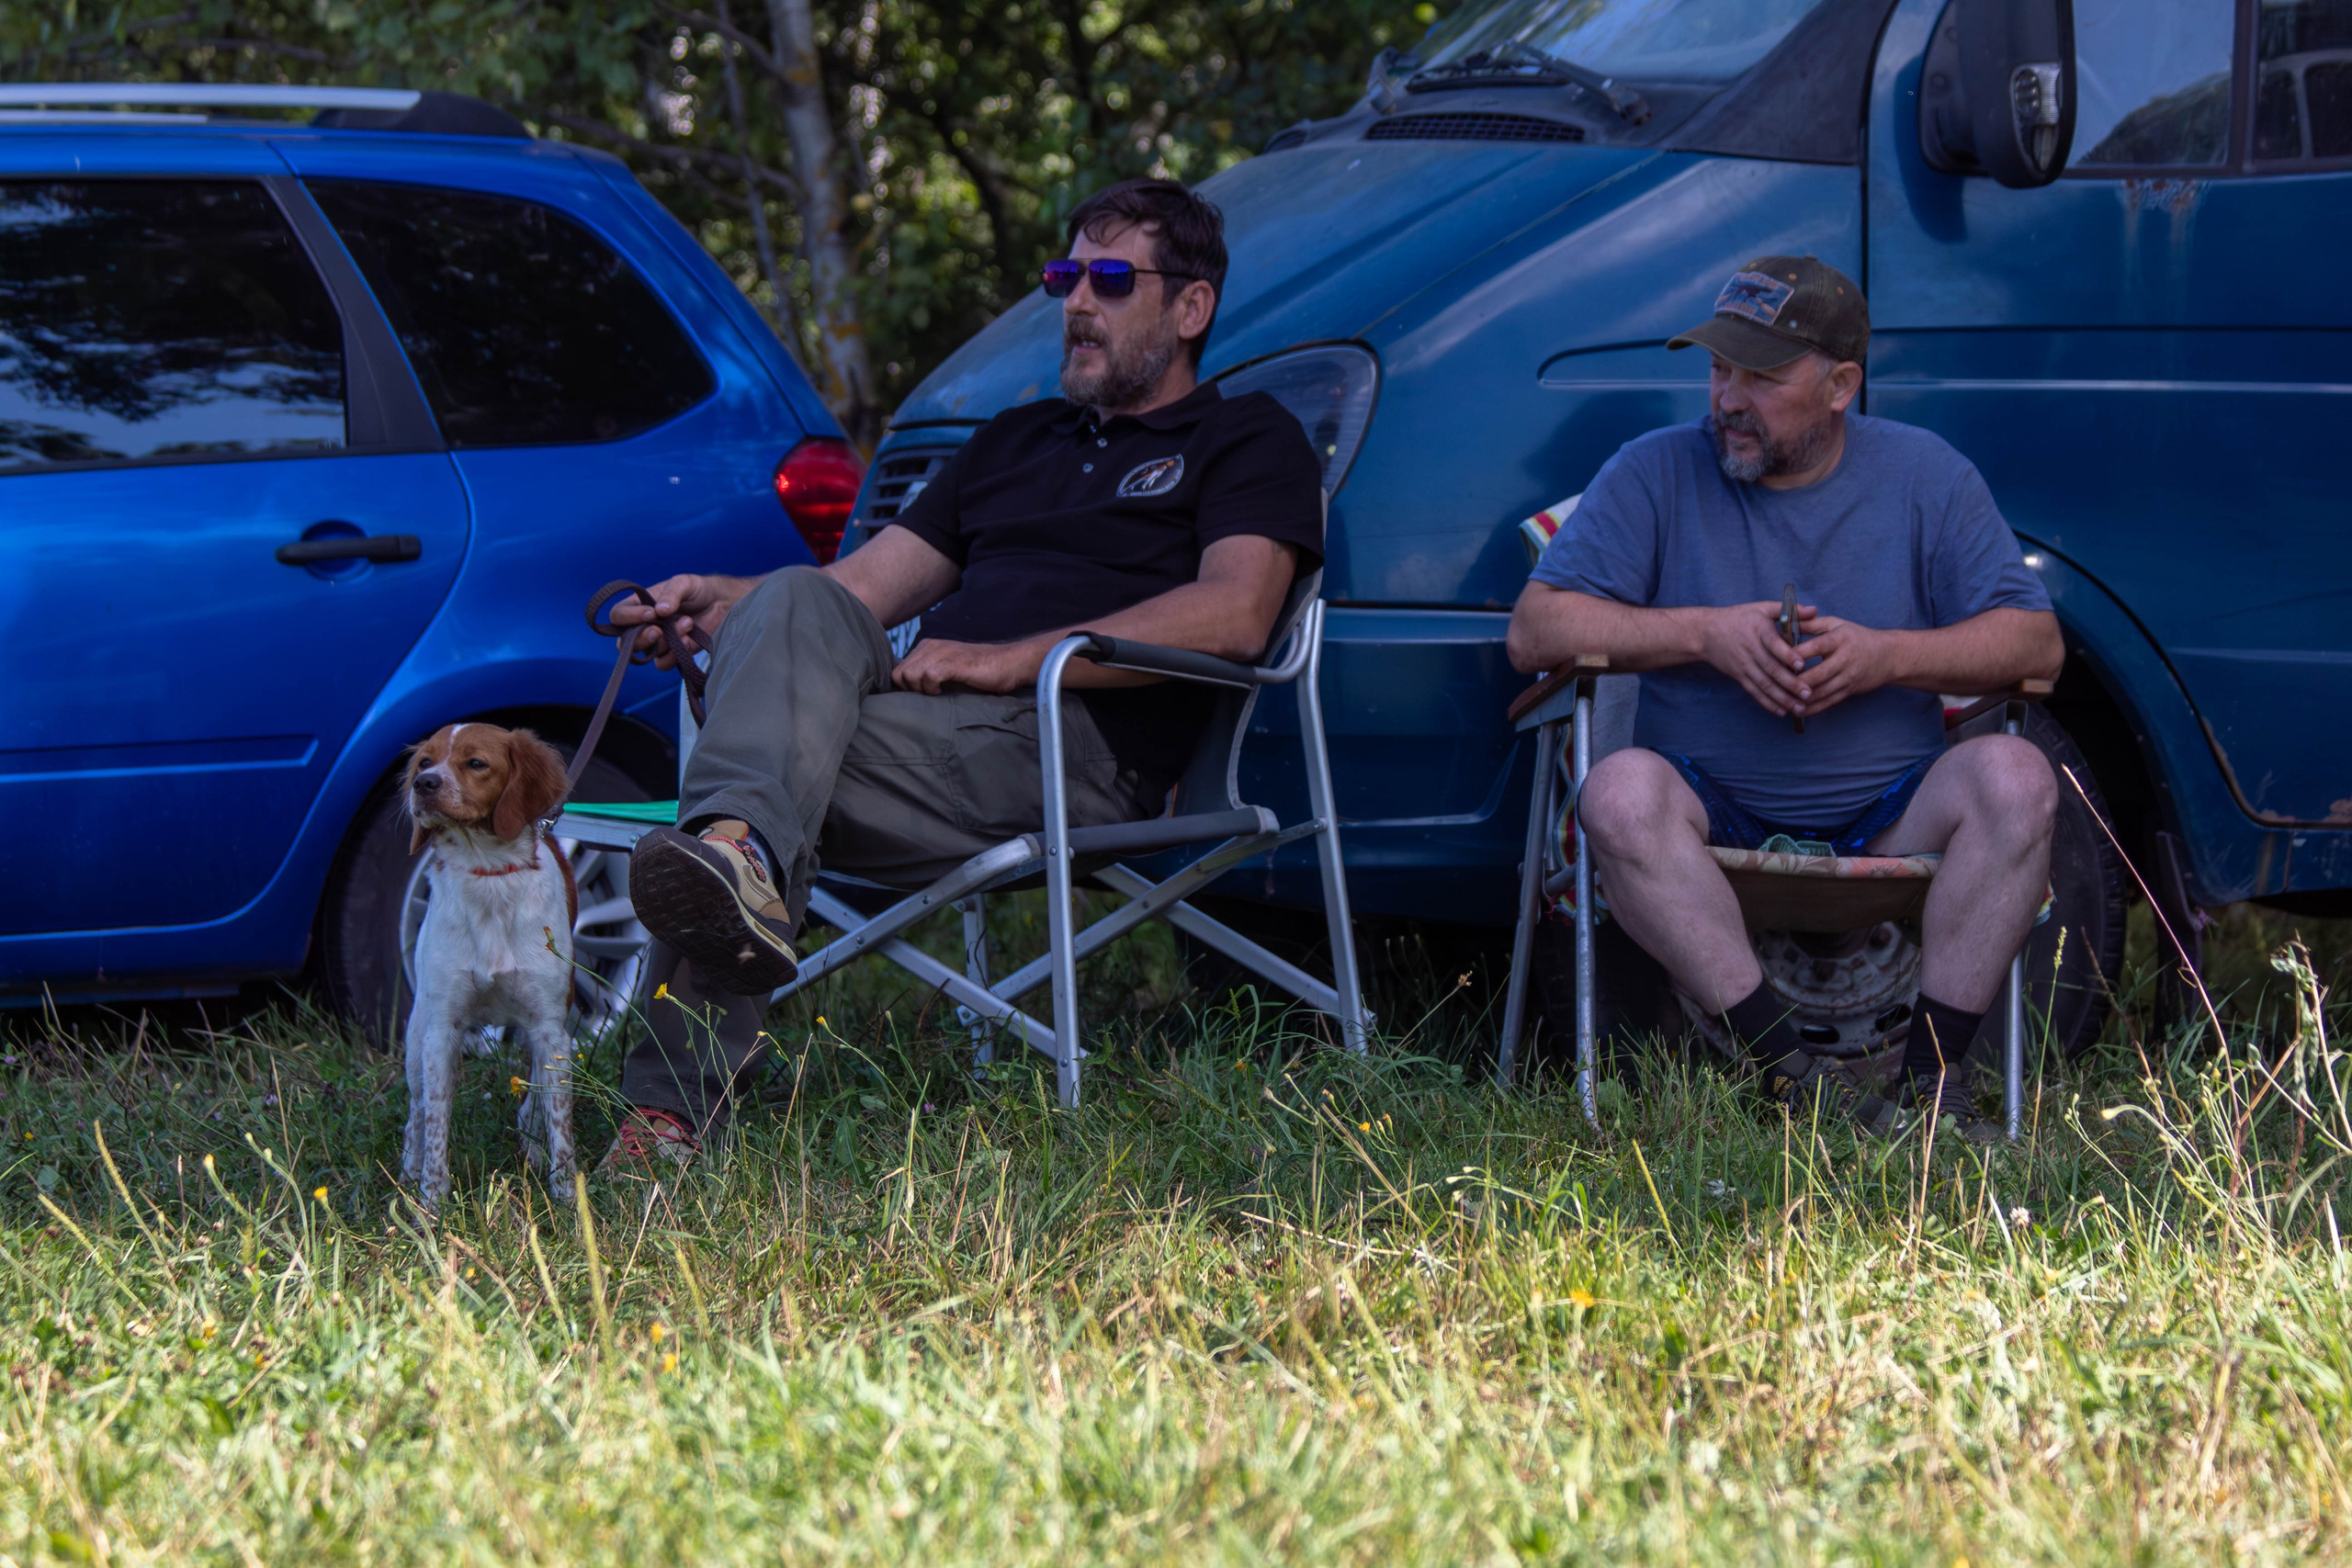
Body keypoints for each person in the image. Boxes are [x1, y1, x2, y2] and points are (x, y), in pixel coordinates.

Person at [598, 177, 1324, 1172]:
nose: (1075, 302)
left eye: (1110, 278)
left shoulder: (1246, 439)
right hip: (921, 738)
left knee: (762, 773)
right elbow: (853, 593)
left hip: (1078, 751)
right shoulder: (1010, 441)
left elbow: (1237, 615)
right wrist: (725, 601)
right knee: (782, 662)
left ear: (1190, 307)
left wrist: (1009, 660)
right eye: (1064, 275)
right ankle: (739, 853)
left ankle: (669, 1107)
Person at [1506, 255, 2063, 1141]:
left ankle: (1930, 1096)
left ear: (1842, 385)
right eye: (1720, 367)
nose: (1728, 397)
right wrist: (1704, 634)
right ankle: (1789, 1079)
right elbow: (1534, 630)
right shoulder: (1654, 471)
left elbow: (2039, 645)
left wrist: (1886, 657)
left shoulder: (1925, 476)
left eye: (1761, 377)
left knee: (2021, 777)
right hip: (1711, 811)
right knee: (1615, 792)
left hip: (1890, 815)